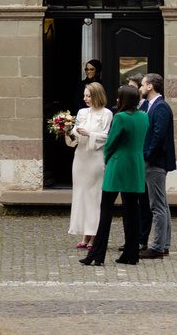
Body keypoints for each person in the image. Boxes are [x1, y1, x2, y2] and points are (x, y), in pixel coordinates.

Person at [81, 85, 150, 266]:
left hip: (118, 164)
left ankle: (97, 255)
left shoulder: (120, 117)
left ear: (124, 99)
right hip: (136, 165)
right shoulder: (144, 116)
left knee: (106, 209)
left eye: (119, 98)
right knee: (132, 211)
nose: (117, 100)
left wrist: (107, 158)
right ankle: (131, 254)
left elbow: (111, 143)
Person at [64, 82, 112, 249]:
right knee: (81, 194)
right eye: (84, 95)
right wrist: (68, 131)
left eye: (88, 96)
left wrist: (90, 134)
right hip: (81, 157)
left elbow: (106, 136)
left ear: (97, 96)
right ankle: (85, 234)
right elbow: (76, 136)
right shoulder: (81, 112)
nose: (85, 99)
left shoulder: (107, 114)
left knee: (94, 196)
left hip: (95, 158)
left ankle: (94, 235)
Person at [140, 71, 175, 258]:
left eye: (143, 84)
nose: (141, 88)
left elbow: (158, 135)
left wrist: (147, 155)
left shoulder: (160, 107)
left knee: (157, 206)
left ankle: (158, 248)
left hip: (155, 162)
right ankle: (164, 244)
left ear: (150, 86)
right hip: (154, 160)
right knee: (162, 204)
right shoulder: (151, 106)